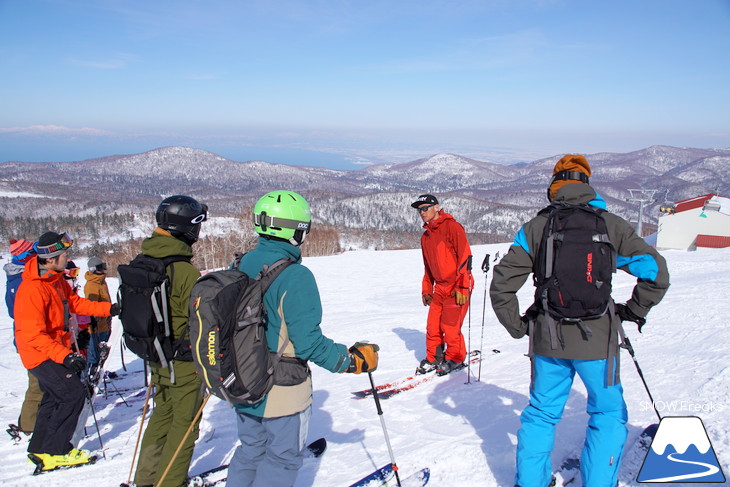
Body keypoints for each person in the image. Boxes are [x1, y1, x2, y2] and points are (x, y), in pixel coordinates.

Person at [489, 155, 670, 487]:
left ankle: (531, 482)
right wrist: (632, 311)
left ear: (554, 186)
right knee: (607, 413)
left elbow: (501, 285)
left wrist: (519, 327)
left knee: (542, 414)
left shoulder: (536, 228)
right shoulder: (610, 225)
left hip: (547, 340)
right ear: (586, 184)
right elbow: (657, 274)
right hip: (598, 341)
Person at [227, 190, 379, 487]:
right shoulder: (296, 277)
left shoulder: (239, 265)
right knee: (283, 459)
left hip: (242, 379)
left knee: (250, 450)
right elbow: (308, 343)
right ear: (295, 231)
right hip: (281, 388)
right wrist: (351, 361)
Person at [14, 231, 117, 472]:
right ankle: (57, 451)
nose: (68, 259)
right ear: (49, 259)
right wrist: (65, 356)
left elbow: (76, 303)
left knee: (54, 397)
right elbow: (33, 335)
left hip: (54, 348)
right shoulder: (33, 289)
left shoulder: (55, 279)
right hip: (39, 353)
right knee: (72, 393)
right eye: (63, 255)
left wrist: (108, 309)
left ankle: (40, 448)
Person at [133, 195, 208, 487]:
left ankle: (148, 477)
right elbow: (201, 317)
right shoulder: (183, 270)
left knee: (162, 413)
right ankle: (171, 481)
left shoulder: (144, 260)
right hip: (182, 360)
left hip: (156, 356)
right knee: (185, 423)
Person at [411, 194, 474, 375]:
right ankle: (435, 358)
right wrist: (426, 289)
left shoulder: (453, 227)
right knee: (433, 326)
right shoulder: (426, 237)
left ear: (436, 207)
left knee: (451, 326)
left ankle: (455, 358)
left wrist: (462, 286)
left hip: (457, 286)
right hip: (440, 288)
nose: (422, 212)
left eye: (425, 208)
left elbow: (465, 257)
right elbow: (427, 266)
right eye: (419, 210)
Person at [4, 238, 41, 440]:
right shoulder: (19, 280)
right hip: (30, 339)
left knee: (40, 383)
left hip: (29, 338)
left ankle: (32, 422)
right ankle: (28, 427)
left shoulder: (18, 277)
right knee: (37, 384)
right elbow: (17, 312)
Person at [84, 257, 112, 375]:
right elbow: (91, 306)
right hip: (96, 327)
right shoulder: (92, 285)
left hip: (104, 323)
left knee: (103, 352)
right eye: (100, 268)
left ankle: (100, 372)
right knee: (94, 354)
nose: (103, 270)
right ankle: (90, 375)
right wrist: (94, 321)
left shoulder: (101, 281)